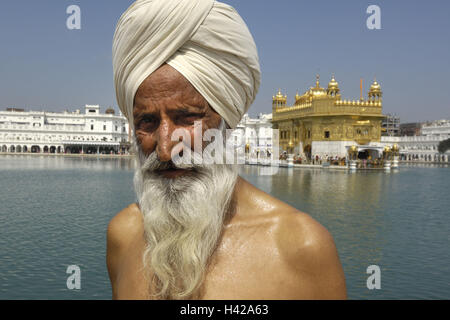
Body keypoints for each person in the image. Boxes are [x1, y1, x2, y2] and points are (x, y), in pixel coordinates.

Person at [107, 0, 346, 300]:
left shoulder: (300, 248)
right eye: (147, 121)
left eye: (187, 118)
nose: (166, 149)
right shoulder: (124, 235)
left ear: (227, 120)